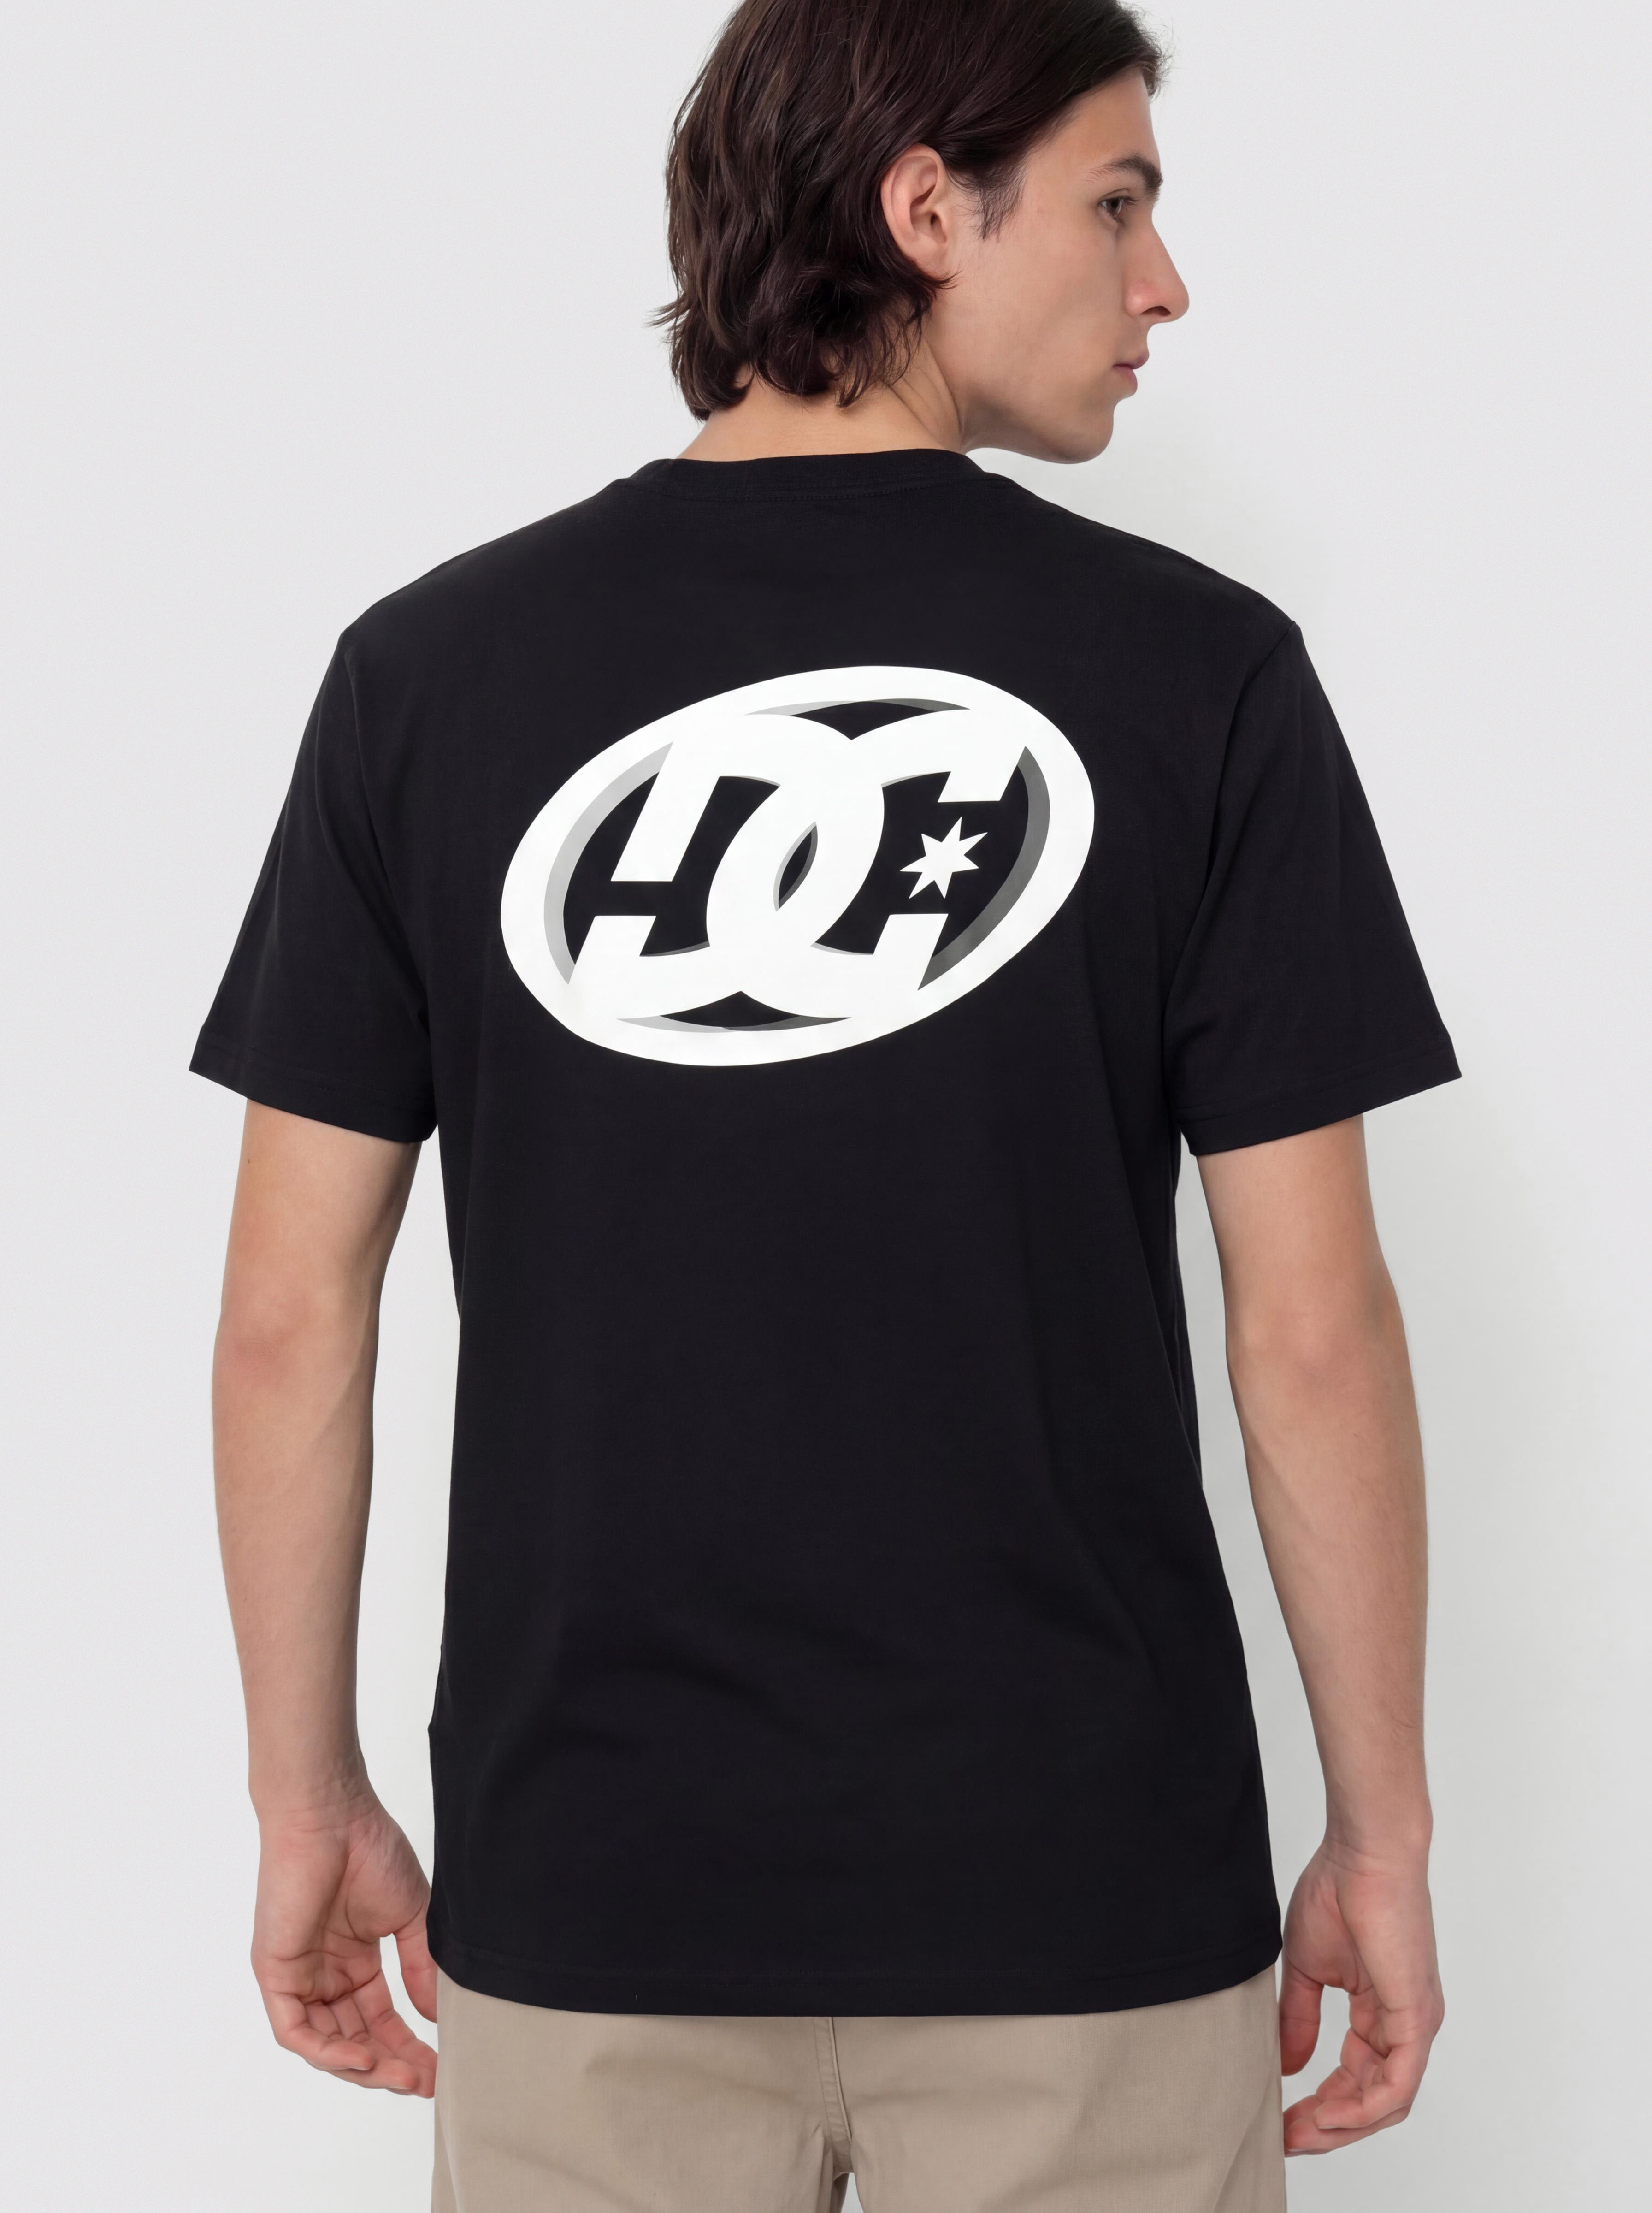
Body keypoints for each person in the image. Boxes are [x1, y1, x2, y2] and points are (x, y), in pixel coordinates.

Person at [195, 1, 1454, 2205]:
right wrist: (1380, 1833)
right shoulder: (1198, 675)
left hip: (588, 1901)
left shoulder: (431, 675)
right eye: (1117, 205)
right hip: (1080, 1901)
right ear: (924, 210)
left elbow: (291, 1315)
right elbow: (1309, 1330)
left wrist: (305, 1807)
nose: (1162, 284)